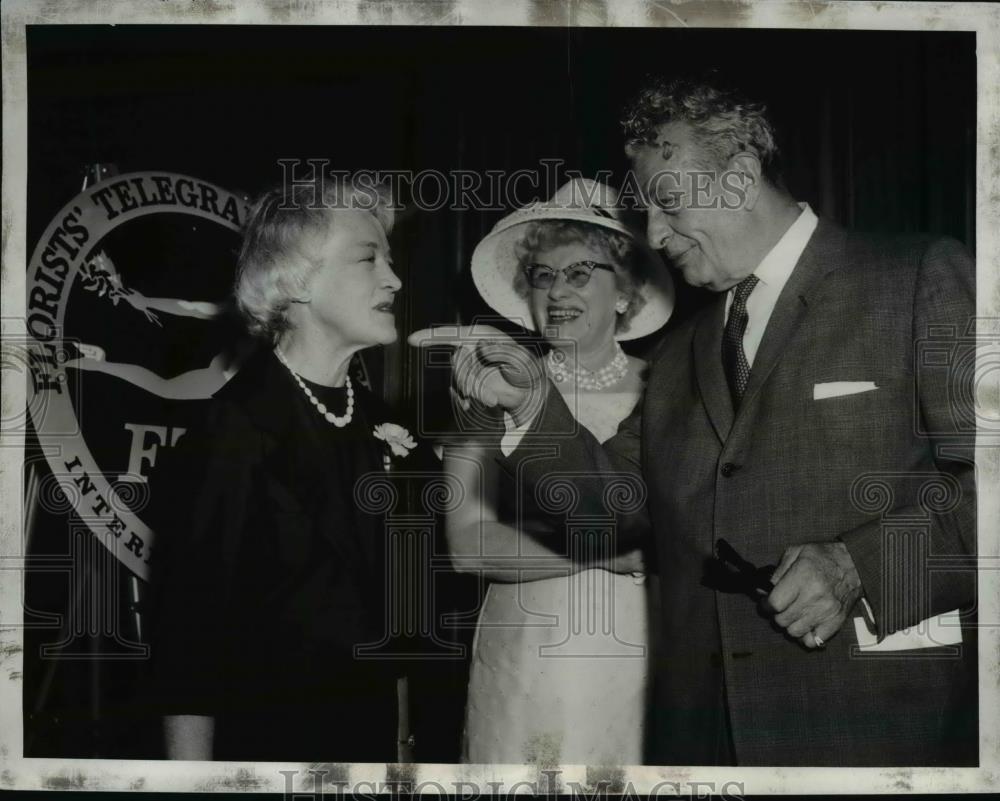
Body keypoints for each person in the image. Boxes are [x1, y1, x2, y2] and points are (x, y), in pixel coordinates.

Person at [412, 77, 977, 766]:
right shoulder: (683, 350)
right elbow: (618, 504)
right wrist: (531, 406)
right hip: (703, 733)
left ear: (738, 180)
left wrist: (860, 563)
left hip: (870, 719)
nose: (653, 234)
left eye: (669, 203)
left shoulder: (916, 278)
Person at [147, 177, 411, 761]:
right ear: (297, 282)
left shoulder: (379, 420)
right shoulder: (234, 428)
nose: (394, 278)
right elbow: (187, 645)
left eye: (389, 259)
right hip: (267, 753)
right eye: (369, 258)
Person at [444, 178, 674, 764]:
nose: (555, 291)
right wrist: (606, 552)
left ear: (625, 293)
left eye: (579, 274)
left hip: (644, 651)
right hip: (526, 655)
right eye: (542, 275)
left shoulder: (672, 388)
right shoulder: (490, 384)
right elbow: (468, 545)